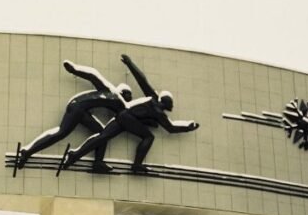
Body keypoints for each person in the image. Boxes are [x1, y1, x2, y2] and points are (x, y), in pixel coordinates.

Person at [61, 54, 199, 174]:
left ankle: (75, 155)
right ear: (167, 103)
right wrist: (188, 127)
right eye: (171, 103)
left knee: (103, 137)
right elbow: (171, 128)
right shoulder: (159, 111)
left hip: (122, 114)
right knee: (148, 137)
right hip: (127, 118)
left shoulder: (152, 98)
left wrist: (129, 63)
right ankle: (137, 165)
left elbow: (141, 80)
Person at [15, 60, 132, 174]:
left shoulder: (114, 98)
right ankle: (27, 152)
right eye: (128, 95)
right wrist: (74, 70)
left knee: (102, 134)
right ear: (122, 92)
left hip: (81, 110)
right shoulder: (114, 95)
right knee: (61, 133)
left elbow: (93, 75)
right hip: (77, 107)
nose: (130, 99)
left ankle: (96, 162)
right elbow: (93, 75)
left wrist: (74, 70)